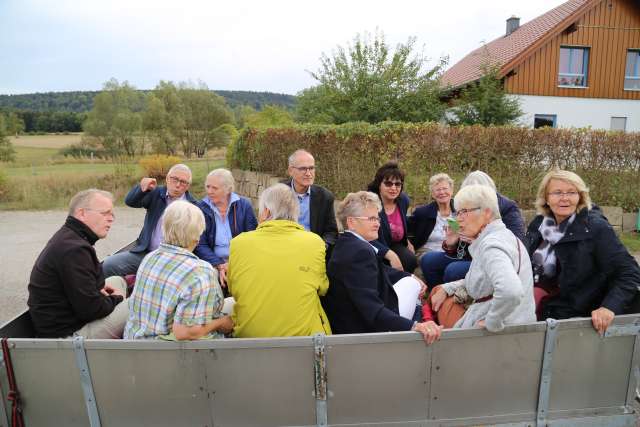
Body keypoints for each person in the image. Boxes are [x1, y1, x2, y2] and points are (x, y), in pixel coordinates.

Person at [523, 169, 640, 335]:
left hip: (575, 319)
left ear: (580, 197)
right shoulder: (539, 224)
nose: (564, 198)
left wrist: (609, 307)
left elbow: (629, 273)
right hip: (537, 308)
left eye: (571, 192)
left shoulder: (595, 228)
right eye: (557, 193)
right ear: (546, 198)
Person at [324, 191, 441, 344]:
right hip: (363, 332)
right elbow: (371, 310)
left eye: (377, 217)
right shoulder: (360, 252)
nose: (378, 223)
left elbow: (378, 269)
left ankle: (417, 309)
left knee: (410, 281)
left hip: (349, 322)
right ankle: (417, 315)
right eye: (371, 218)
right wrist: (415, 326)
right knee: (412, 287)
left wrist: (409, 275)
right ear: (351, 222)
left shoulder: (346, 243)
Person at [227, 183, 332, 338]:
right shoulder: (315, 242)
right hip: (304, 338)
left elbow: (234, 288)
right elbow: (323, 288)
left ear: (266, 212)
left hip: (250, 335)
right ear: (296, 212)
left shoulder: (238, 243)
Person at [428, 185, 535, 332]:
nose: (458, 219)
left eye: (464, 212)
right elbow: (482, 280)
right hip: (519, 323)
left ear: (487, 213)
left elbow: (511, 291)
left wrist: (493, 321)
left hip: (497, 336)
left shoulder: (491, 244)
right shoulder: (503, 236)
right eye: (457, 213)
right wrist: (448, 288)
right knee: (439, 290)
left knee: (435, 305)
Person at [28, 189, 129, 338]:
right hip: (67, 336)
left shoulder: (71, 237)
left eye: (112, 214)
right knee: (139, 303)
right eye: (105, 213)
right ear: (82, 213)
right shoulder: (74, 250)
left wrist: (97, 290)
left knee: (116, 280)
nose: (111, 219)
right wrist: (117, 299)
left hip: (71, 318)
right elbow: (91, 310)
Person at [124, 201, 233, 340]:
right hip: (167, 354)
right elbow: (185, 333)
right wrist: (221, 323)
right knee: (232, 306)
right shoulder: (200, 271)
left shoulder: (150, 257)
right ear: (197, 236)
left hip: (134, 342)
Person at [420, 170, 525, 289]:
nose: (471, 199)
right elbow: (461, 247)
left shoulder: (507, 208)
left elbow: (517, 243)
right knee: (428, 260)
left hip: (490, 259)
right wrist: (451, 244)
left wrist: (477, 240)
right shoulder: (468, 205)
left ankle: (454, 300)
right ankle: (438, 297)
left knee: (453, 270)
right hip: (468, 256)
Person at [102, 164, 197, 277]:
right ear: (167, 179)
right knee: (108, 265)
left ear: (188, 186)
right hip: (145, 254)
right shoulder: (156, 193)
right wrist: (141, 189)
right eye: (174, 179)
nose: (177, 185)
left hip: (175, 261)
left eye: (183, 182)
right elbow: (130, 201)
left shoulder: (194, 207)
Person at [194, 168, 257, 288]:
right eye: (208, 187)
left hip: (241, 260)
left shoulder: (244, 205)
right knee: (211, 279)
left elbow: (252, 238)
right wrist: (220, 264)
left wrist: (234, 264)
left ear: (228, 189)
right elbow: (200, 244)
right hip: (211, 262)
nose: (209, 191)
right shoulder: (200, 208)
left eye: (214, 188)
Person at [367, 162, 417, 273]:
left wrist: (407, 241)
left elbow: (399, 224)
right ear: (379, 184)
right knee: (383, 265)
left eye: (397, 184)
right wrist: (390, 254)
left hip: (394, 243)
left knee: (410, 260)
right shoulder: (369, 203)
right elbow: (365, 237)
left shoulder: (403, 200)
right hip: (372, 245)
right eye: (388, 184)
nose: (393, 188)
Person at [283, 149, 338, 247]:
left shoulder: (325, 197)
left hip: (314, 251)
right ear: (290, 170)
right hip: (284, 247)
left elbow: (331, 232)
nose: (308, 173)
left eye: (311, 168)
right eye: (303, 169)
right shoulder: (277, 193)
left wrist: (321, 246)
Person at [408, 173, 455, 260]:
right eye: (437, 190)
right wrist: (408, 243)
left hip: (453, 252)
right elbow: (404, 229)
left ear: (452, 191)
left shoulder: (459, 211)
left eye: (445, 188)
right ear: (433, 194)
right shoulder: (422, 212)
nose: (442, 192)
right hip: (428, 253)